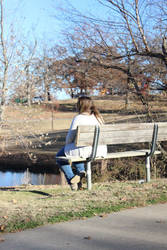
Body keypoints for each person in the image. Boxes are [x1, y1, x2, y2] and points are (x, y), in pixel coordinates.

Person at [56, 96, 107, 190]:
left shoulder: (78, 118)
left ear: (79, 106)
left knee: (60, 156)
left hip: (85, 150)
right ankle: (81, 172)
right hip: (100, 150)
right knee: (76, 150)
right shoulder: (98, 117)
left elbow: (70, 138)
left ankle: (72, 180)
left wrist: (67, 145)